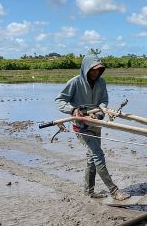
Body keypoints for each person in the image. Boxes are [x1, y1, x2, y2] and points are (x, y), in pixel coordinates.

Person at [56, 50, 130, 201]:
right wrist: (73, 109)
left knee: (91, 158)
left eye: (99, 71)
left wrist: (99, 114)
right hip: (81, 125)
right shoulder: (75, 82)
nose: (96, 74)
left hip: (96, 123)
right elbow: (60, 100)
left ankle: (88, 191)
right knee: (98, 154)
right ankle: (114, 191)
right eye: (93, 70)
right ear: (86, 69)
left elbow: (104, 101)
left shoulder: (101, 83)